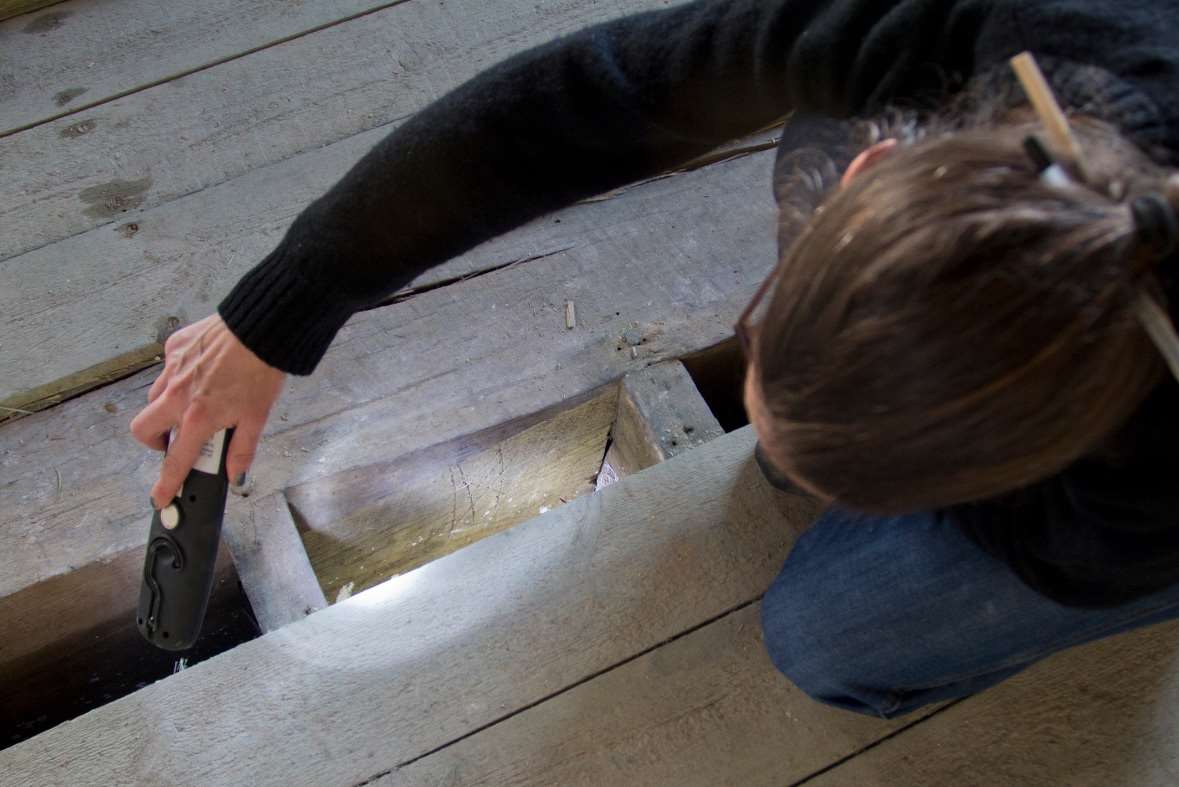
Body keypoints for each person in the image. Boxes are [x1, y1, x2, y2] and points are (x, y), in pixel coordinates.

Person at [130, 0, 1179, 718]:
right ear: (885, 160)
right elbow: (603, 94)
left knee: (826, 641)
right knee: (804, 126)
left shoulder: (1126, 502)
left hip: (1139, 526)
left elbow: (1083, 537)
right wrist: (285, 305)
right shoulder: (1003, 29)